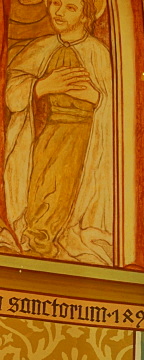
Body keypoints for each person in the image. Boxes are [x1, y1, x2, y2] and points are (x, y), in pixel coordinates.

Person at [3, 0, 113, 265]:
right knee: (40, 186)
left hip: (85, 138)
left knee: (65, 193)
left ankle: (48, 241)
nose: (59, 12)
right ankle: (35, 242)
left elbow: (121, 108)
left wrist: (96, 98)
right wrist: (42, 86)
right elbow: (11, 96)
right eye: (55, 3)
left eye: (71, 8)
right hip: (48, 132)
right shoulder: (41, 48)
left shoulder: (98, 53)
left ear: (87, 16)